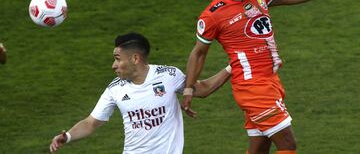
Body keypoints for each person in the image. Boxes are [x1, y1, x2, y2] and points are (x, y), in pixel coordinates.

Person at [182, 0, 354, 154]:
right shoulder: (213, 15)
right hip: (253, 88)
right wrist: (188, 90)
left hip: (270, 81)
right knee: (288, 144)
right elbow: (199, 53)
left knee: (260, 147)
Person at [50, 32, 231, 154]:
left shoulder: (168, 75)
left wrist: (233, 67)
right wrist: (68, 136)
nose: (113, 65)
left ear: (135, 58)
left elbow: (203, 89)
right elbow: (91, 123)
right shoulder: (115, 89)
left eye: (117, 59)